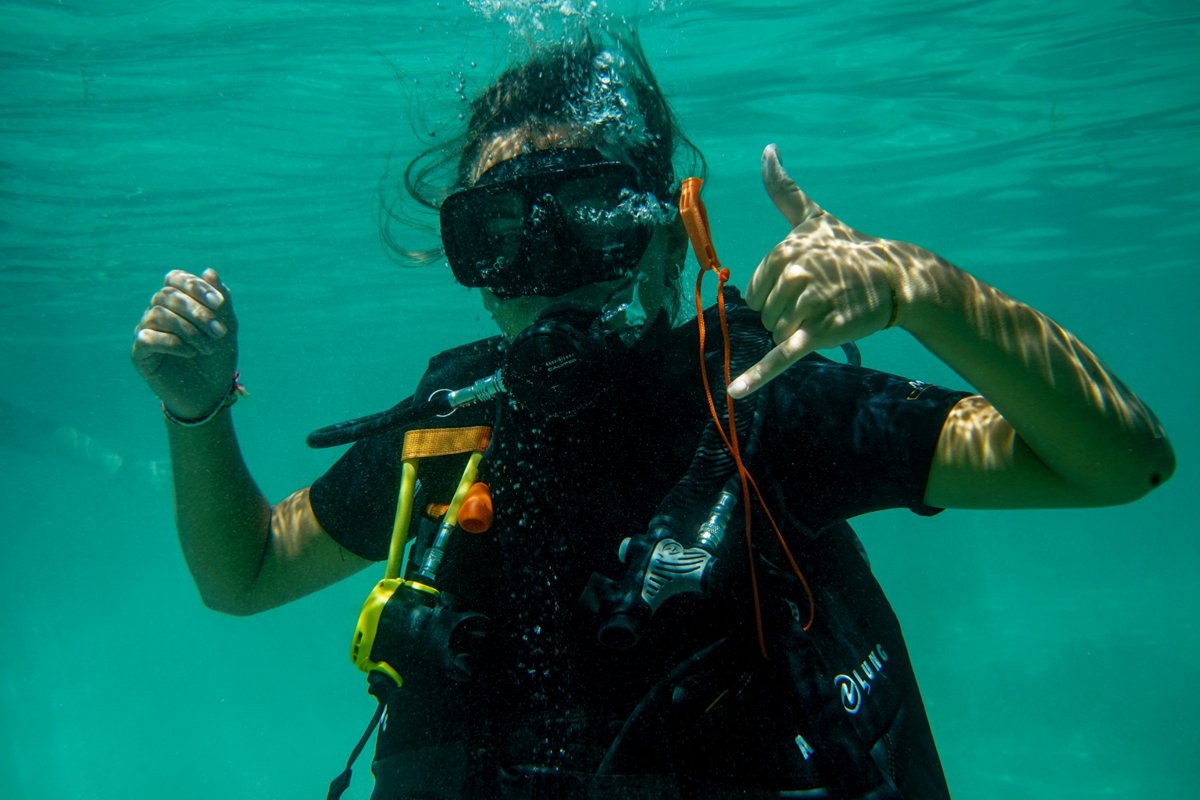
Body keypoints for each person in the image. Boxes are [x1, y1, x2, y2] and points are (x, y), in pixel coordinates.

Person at [131, 32, 1173, 800]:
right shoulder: (445, 452)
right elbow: (248, 570)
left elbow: (1121, 460)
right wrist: (196, 411)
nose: (547, 275)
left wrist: (925, 290)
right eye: (502, 232)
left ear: (673, 240)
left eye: (591, 218)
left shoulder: (764, 414)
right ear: (475, 273)